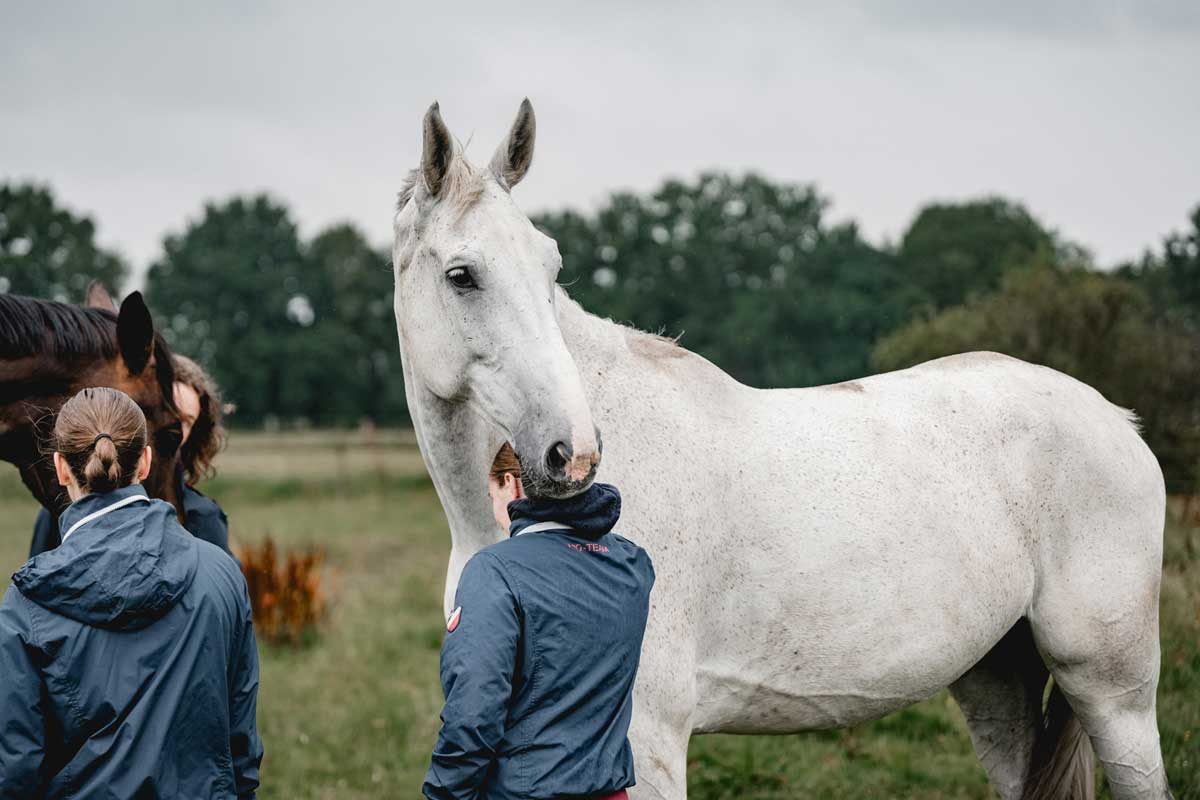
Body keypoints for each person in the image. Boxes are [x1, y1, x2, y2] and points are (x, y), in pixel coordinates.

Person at [0, 387, 262, 799]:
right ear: (144, 461)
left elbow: (14, 771)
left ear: (61, 468)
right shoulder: (221, 572)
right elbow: (240, 742)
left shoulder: (27, 603)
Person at [423, 444, 655, 800]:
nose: (496, 510)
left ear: (511, 484)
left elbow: (473, 712)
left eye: (492, 496)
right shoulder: (631, 564)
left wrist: (445, 794)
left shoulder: (495, 570)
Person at [29, 354, 231, 556]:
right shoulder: (62, 507)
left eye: (187, 421)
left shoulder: (202, 515)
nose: (175, 429)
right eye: (168, 413)